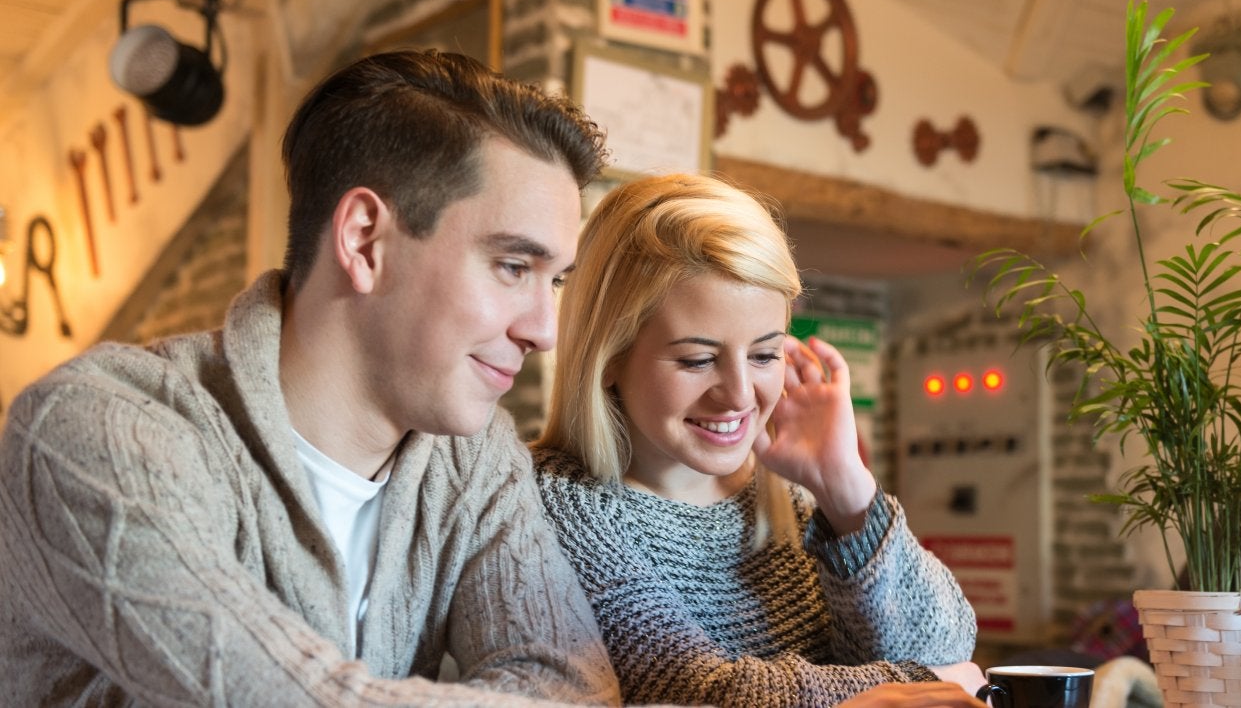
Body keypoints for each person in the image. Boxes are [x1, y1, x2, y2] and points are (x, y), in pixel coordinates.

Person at [0, 50, 622, 704]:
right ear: (363, 242)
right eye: (513, 267)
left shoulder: (476, 459)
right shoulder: (95, 428)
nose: (543, 330)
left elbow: (578, 689)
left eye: (554, 280)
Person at [531, 174, 984, 706]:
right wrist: (925, 685)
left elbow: (948, 642)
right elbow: (700, 690)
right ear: (609, 357)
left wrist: (847, 492)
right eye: (697, 359)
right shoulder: (557, 501)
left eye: (765, 354)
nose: (740, 395)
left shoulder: (791, 504)